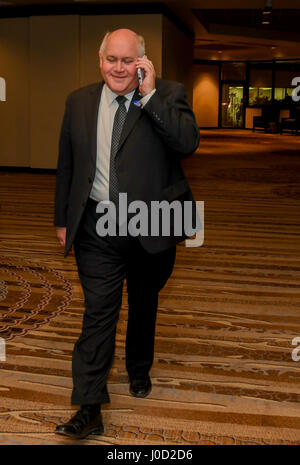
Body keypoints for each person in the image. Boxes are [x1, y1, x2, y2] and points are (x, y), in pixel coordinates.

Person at [54, 28, 200, 439]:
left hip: (152, 220)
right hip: (97, 224)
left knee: (143, 300)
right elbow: (67, 165)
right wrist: (63, 221)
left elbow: (187, 143)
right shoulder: (79, 101)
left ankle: (139, 368)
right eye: (111, 60)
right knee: (98, 312)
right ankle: (88, 405)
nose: (118, 68)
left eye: (127, 60)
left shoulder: (168, 94)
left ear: (143, 62)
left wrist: (150, 95)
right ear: (100, 61)